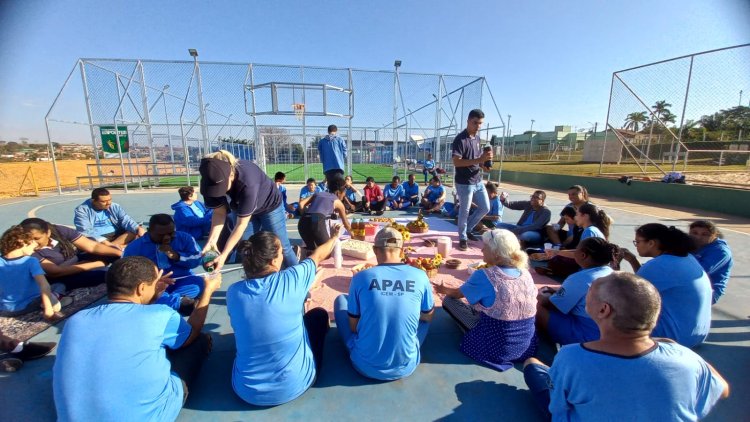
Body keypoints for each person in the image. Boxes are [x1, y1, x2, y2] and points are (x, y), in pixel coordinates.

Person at [524, 272, 729, 421]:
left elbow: (558, 406)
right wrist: (678, 350)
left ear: (604, 310)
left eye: (590, 296)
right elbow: (723, 389)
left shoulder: (571, 357)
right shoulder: (686, 359)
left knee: (533, 365)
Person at [53, 256, 221, 422]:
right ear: (141, 288)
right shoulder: (161, 314)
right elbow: (192, 332)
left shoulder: (76, 320)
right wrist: (208, 291)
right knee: (197, 341)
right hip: (148, 416)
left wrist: (152, 294)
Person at [227, 227, 340, 406]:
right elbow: (318, 255)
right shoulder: (293, 278)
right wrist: (334, 237)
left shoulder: (233, 292)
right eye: (281, 253)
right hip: (297, 384)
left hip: (246, 390)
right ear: (273, 260)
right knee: (318, 315)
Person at [334, 227, 434, 380]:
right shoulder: (420, 276)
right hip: (406, 366)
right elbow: (427, 317)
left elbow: (354, 327)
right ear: (402, 251)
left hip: (364, 365)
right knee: (425, 317)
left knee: (341, 300)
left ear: (375, 250)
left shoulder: (361, 277)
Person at [433, 229, 537, 371]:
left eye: (485, 247)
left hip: (495, 346)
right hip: (524, 346)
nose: (482, 250)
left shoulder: (485, 275)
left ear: (496, 252)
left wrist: (443, 290)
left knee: (449, 301)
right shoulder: (525, 273)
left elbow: (456, 294)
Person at [199, 150, 298, 272]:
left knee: (281, 246)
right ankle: (257, 283)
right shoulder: (209, 183)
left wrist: (224, 255)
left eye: (222, 187)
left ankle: (299, 279)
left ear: (231, 175)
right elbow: (219, 213)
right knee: (248, 249)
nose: (220, 192)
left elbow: (241, 225)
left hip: (269, 206)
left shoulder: (247, 181)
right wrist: (211, 241)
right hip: (241, 208)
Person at [621, 223, 712, 347]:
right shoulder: (688, 258)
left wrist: (613, 268)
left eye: (637, 242)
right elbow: (647, 281)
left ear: (651, 243)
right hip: (697, 335)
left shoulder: (659, 265)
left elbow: (623, 293)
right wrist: (632, 260)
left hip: (676, 339)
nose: (636, 246)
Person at [535, 238, 618, 345]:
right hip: (608, 332)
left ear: (583, 255)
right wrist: (557, 293)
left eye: (576, 250)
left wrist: (539, 295)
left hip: (588, 336)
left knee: (535, 306)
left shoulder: (580, 278)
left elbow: (551, 305)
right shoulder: (612, 273)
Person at [123, 214, 205, 314]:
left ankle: (168, 301)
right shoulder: (134, 247)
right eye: (161, 235)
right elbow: (127, 273)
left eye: (171, 233)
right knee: (144, 293)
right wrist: (153, 281)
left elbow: (197, 259)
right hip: (152, 285)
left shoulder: (185, 238)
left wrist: (177, 256)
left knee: (198, 283)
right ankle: (178, 302)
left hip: (180, 280)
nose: (167, 237)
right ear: (149, 231)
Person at [20, 218, 120, 290]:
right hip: (58, 276)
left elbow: (92, 246)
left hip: (75, 261)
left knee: (110, 252)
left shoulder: (59, 230)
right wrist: (97, 263)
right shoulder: (27, 249)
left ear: (48, 233)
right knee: (108, 274)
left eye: (37, 239)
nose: (33, 242)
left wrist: (120, 253)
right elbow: (56, 272)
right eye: (28, 239)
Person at [0, 225, 67, 321]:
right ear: (22, 242)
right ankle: (51, 301)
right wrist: (49, 310)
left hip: (6, 309)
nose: (35, 247)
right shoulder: (30, 261)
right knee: (59, 286)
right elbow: (44, 285)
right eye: (33, 244)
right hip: (31, 304)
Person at [452, 109, 492, 251]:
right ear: (468, 121)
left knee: (485, 207)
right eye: (475, 123)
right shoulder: (460, 140)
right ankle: (462, 237)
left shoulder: (477, 139)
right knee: (465, 210)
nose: (478, 126)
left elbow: (476, 160)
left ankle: (468, 229)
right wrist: (479, 160)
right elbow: (457, 162)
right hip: (464, 183)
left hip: (477, 180)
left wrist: (483, 164)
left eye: (480, 123)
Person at [73, 187, 145, 247]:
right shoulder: (82, 210)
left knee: (134, 231)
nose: (108, 203)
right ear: (93, 201)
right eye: (104, 201)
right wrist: (104, 241)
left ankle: (108, 248)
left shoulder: (114, 206)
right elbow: (85, 230)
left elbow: (125, 220)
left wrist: (137, 228)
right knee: (89, 241)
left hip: (117, 235)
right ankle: (116, 247)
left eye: (110, 199)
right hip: (99, 237)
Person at [298, 176, 353, 254]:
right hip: (316, 221)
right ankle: (302, 252)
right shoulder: (338, 202)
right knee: (327, 252)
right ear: (338, 192)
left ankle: (301, 251)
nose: (343, 196)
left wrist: (307, 215)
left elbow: (301, 204)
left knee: (312, 249)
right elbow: (346, 224)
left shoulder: (318, 194)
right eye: (344, 194)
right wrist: (354, 237)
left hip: (302, 222)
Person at [544, 203, 610, 261]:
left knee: (556, 260)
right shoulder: (590, 229)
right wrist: (557, 251)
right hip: (589, 265)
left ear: (585, 216)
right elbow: (579, 251)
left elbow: (580, 255)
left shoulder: (589, 231)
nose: (575, 217)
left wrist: (557, 253)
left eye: (577, 215)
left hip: (589, 268)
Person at [689, 220, 733, 304]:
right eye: (694, 233)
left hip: (709, 291)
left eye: (705, 234)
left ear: (714, 235)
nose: (698, 237)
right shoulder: (691, 244)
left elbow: (699, 272)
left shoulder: (721, 252)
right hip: (691, 284)